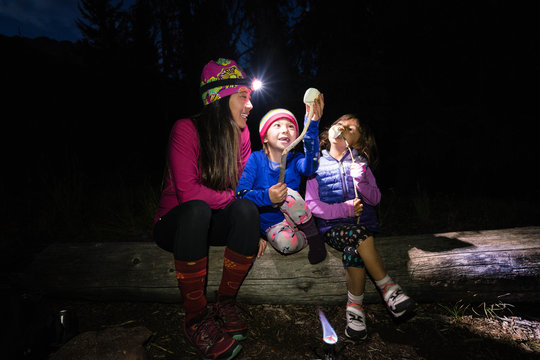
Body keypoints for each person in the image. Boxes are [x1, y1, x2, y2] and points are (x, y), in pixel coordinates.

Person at [153, 58, 265, 360]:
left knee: (246, 211)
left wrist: (263, 227)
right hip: (176, 223)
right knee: (198, 208)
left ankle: (225, 302)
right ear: (221, 97)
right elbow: (187, 193)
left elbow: (242, 190)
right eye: (243, 96)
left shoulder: (241, 135)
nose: (250, 105)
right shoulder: (185, 129)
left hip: (211, 221)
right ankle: (195, 318)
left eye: (250, 97)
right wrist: (233, 198)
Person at [305, 113, 416, 341]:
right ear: (330, 132)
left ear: (359, 142)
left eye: (352, 129)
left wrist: (361, 181)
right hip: (333, 228)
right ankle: (388, 288)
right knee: (356, 235)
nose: (344, 129)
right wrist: (343, 210)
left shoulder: (361, 165)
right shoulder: (316, 165)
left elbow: (375, 199)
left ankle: (354, 311)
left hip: (362, 228)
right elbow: (311, 205)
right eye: (340, 124)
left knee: (352, 250)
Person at [236, 96, 327, 265]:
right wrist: (267, 197)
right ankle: (306, 236)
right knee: (286, 245)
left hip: (298, 216)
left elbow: (311, 167)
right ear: (265, 138)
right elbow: (241, 194)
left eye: (291, 126)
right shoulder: (255, 159)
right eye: (277, 125)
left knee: (288, 195)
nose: (285, 130)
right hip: (272, 224)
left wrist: (312, 126)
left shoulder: (297, 159)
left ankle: (314, 238)